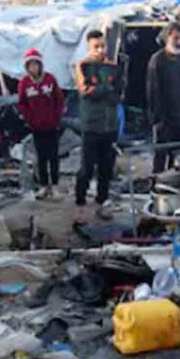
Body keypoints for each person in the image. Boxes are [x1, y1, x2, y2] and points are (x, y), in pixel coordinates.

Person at [74, 29, 122, 221]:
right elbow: (86, 90)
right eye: (96, 47)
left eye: (102, 46)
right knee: (86, 168)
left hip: (110, 125)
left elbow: (119, 91)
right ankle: (80, 203)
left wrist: (105, 89)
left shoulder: (113, 66)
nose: (100, 50)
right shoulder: (83, 66)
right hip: (91, 125)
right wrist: (106, 88)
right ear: (89, 47)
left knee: (106, 168)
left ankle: (101, 202)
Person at [17, 48, 65, 200]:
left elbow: (59, 99)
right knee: (41, 156)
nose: (33, 68)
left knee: (54, 156)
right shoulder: (24, 83)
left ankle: (55, 185)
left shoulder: (50, 79)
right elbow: (22, 103)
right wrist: (30, 119)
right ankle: (44, 185)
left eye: (35, 65)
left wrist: (56, 117)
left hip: (52, 125)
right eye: (30, 65)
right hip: (36, 127)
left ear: (40, 65)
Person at [146, 22, 180, 173]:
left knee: (178, 156)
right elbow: (152, 92)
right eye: (176, 38)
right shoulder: (157, 60)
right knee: (161, 156)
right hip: (163, 119)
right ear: (167, 38)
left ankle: (175, 187)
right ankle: (156, 187)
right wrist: (156, 119)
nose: (179, 42)